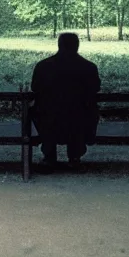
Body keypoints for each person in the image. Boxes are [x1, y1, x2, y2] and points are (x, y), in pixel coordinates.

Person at [31, 32, 101, 168]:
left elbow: (35, 88)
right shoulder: (89, 67)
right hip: (79, 116)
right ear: (77, 45)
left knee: (41, 113)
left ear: (59, 45)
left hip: (50, 117)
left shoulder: (44, 66)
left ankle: (50, 155)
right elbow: (96, 88)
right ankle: (75, 156)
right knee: (83, 115)